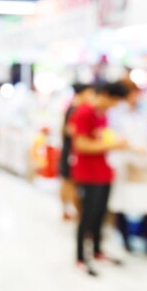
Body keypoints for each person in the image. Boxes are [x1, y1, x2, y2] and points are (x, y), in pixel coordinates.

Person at [70, 81, 129, 277]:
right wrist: (110, 145)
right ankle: (80, 256)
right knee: (86, 216)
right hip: (88, 173)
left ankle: (96, 250)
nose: (114, 105)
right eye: (114, 101)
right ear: (105, 95)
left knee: (100, 215)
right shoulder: (84, 112)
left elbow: (101, 138)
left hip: (104, 171)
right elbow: (81, 145)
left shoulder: (103, 115)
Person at [108, 83, 147, 257]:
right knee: (123, 203)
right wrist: (132, 147)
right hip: (126, 162)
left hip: (144, 162)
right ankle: (125, 238)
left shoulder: (144, 113)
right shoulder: (116, 114)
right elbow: (114, 137)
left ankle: (146, 237)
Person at [59, 83, 95, 221]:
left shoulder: (73, 107)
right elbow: (69, 129)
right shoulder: (76, 109)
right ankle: (73, 212)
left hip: (70, 149)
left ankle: (68, 210)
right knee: (71, 182)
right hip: (72, 150)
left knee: (69, 181)